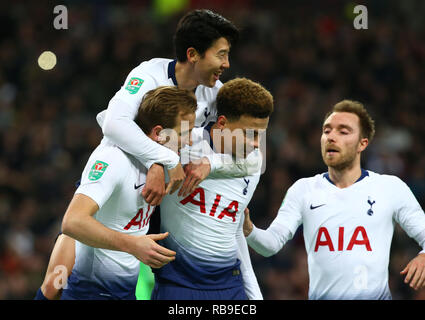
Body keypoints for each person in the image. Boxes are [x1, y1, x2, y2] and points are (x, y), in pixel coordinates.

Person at [35, 9, 245, 300]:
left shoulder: (215, 93)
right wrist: (161, 160)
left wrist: (210, 161)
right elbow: (112, 122)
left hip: (167, 195)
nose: (227, 64)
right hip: (124, 179)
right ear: (193, 54)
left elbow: (248, 150)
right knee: (57, 282)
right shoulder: (149, 75)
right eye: (221, 55)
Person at [243, 100, 425, 300]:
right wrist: (249, 230)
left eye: (343, 132)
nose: (331, 137)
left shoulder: (390, 187)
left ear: (362, 143)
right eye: (327, 131)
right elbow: (271, 244)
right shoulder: (303, 189)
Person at [58, 86, 196, 300]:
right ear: (159, 133)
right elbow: (72, 222)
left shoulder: (161, 161)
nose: (190, 141)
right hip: (90, 292)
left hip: (124, 292)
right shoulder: (113, 159)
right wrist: (134, 245)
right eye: (184, 133)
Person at [151, 77, 273, 300]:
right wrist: (156, 166)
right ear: (223, 123)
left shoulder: (253, 164)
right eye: (250, 134)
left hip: (230, 285)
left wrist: (255, 296)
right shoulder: (182, 143)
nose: (257, 143)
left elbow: (233, 229)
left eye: (261, 135)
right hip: (179, 285)